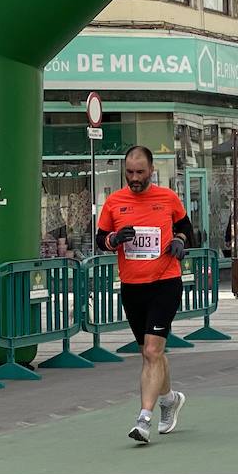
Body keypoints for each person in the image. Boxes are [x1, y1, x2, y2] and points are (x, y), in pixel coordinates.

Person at [96, 145, 193, 445]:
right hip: (132, 286)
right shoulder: (114, 202)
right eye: (129, 172)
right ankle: (170, 398)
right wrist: (114, 239)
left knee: (152, 352)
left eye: (140, 172)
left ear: (152, 170)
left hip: (165, 282)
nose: (134, 178)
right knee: (151, 353)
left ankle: (144, 419)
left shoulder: (167, 198)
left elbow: (188, 229)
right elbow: (101, 239)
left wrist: (179, 241)